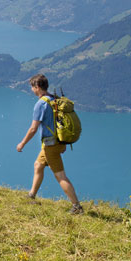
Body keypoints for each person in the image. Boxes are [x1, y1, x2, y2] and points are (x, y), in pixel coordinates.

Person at [16, 73, 83, 214]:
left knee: (60, 176)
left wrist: (22, 143)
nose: (32, 90)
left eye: (32, 87)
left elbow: (33, 128)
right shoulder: (54, 99)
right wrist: (62, 143)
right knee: (38, 165)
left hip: (50, 145)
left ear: (37, 87)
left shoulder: (41, 104)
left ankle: (77, 206)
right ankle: (31, 195)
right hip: (57, 142)